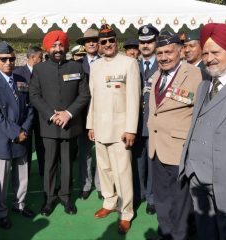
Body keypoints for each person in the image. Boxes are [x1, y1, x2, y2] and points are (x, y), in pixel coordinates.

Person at [179, 23, 226, 240]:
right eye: (205, 53)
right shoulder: (204, 86)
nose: (208, 58)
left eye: (215, 52)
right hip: (198, 181)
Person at [86, 24, 141, 235]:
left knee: (123, 173)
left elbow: (134, 99)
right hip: (99, 127)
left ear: (115, 42)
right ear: (99, 45)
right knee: (105, 170)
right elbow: (92, 98)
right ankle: (109, 202)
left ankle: (126, 212)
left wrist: (131, 129)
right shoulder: (95, 66)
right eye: (103, 42)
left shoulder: (129, 63)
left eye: (111, 41)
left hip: (120, 130)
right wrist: (90, 124)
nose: (107, 45)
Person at [147, 31, 202, 240]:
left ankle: (179, 236)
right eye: (159, 53)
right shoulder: (157, 75)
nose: (163, 57)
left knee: (180, 201)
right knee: (162, 198)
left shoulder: (195, 75)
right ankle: (165, 233)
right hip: (157, 147)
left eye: (168, 52)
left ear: (180, 51)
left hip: (179, 150)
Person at [29, 30, 90, 216]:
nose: (57, 49)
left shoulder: (76, 67)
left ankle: (66, 198)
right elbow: (34, 95)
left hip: (70, 125)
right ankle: (48, 199)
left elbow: (84, 94)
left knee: (67, 163)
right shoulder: (39, 69)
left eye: (61, 45)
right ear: (48, 48)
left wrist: (68, 113)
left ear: (66, 47)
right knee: (49, 164)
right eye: (54, 46)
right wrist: (52, 115)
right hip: (49, 126)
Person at [0, 41, 35, 230]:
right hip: (2, 138)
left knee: (22, 176)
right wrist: (16, 132)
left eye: (11, 59)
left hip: (22, 135)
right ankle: (1, 212)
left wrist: (25, 130)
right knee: (1, 182)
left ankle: (20, 204)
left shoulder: (21, 78)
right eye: (3, 59)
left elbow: (29, 108)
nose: (8, 62)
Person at [75, 28, 102, 200]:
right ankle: (85, 184)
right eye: (88, 41)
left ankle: (101, 185)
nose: (91, 43)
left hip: (103, 115)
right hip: (83, 115)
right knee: (84, 152)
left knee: (102, 152)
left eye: (95, 40)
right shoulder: (76, 66)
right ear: (84, 45)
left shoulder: (108, 62)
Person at [136, 24, 159, 215]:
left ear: (156, 42)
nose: (145, 45)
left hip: (155, 125)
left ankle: (151, 198)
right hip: (135, 125)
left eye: (149, 41)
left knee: (152, 163)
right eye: (142, 42)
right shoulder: (132, 65)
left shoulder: (164, 64)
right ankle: (139, 193)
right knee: (137, 161)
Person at [13, 46, 45, 176]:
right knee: (25, 146)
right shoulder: (18, 73)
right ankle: (25, 173)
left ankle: (44, 171)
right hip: (25, 117)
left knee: (42, 145)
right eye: (40, 58)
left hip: (41, 116)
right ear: (33, 57)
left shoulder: (44, 71)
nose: (42, 60)